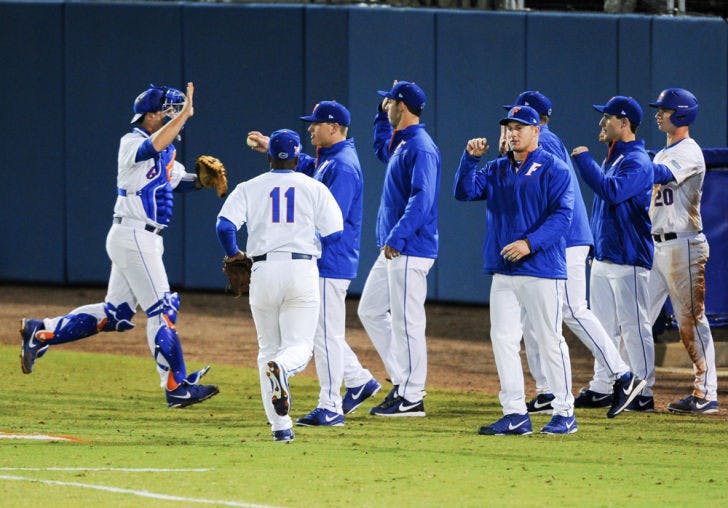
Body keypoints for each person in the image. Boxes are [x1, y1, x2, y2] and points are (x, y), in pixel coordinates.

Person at [19, 83, 220, 408]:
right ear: (152, 115)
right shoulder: (133, 141)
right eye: (167, 111)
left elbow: (176, 180)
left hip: (142, 239)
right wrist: (183, 116)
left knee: (117, 315)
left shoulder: (164, 150)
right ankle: (176, 386)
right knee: (163, 309)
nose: (172, 116)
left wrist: (201, 181)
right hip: (135, 237)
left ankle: (40, 332)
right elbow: (152, 147)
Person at [501, 91, 643, 417]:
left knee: (571, 309)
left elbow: (549, 197)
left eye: (518, 120)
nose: (512, 125)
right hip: (553, 242)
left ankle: (624, 375)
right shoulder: (533, 146)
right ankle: (548, 390)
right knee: (535, 316)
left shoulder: (545, 143)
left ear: (535, 123)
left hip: (563, 240)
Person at [246, 101, 381, 427]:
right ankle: (360, 381)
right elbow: (309, 168)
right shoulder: (330, 160)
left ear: (333, 128)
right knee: (321, 331)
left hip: (329, 261)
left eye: (316, 124)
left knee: (325, 334)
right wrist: (273, 148)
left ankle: (331, 405)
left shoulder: (343, 167)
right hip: (321, 262)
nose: (310, 129)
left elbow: (330, 222)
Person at [455, 105, 577, 435]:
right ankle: (515, 413)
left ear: (536, 131)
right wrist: (469, 159)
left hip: (541, 267)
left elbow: (562, 218)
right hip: (503, 270)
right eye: (509, 126)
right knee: (503, 340)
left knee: (550, 339)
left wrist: (530, 243)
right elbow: (463, 192)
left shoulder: (554, 168)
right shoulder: (496, 169)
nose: (512, 132)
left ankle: (565, 411)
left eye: (520, 127)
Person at [216, 129, 344, 442]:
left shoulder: (250, 187)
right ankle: (284, 368)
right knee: (300, 346)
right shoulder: (313, 187)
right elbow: (335, 234)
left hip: (263, 269)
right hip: (301, 268)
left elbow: (224, 225)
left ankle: (280, 428)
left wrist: (234, 253)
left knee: (266, 350)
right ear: (299, 157)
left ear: (269, 156)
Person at [358, 81, 440, 417]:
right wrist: (379, 116)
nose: (385, 107)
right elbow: (381, 149)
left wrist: (399, 236)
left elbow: (423, 198)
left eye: (388, 103)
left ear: (402, 106)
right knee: (370, 310)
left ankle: (412, 395)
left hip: (409, 246)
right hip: (395, 246)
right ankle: (402, 380)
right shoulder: (403, 141)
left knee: (407, 322)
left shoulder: (421, 147)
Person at [571, 95, 653, 415]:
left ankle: (643, 391)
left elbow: (612, 192)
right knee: (603, 326)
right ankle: (603, 386)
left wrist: (584, 161)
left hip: (630, 257)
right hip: (606, 255)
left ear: (624, 123)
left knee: (634, 326)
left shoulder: (637, 159)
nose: (601, 123)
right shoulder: (615, 156)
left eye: (606, 118)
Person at [647, 88, 718, 414]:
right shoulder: (662, 152)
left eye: (665, 109)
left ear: (681, 114)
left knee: (690, 321)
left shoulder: (689, 151)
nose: (659, 113)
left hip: (684, 245)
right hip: (658, 245)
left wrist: (634, 162)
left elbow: (660, 175)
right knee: (636, 318)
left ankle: (706, 394)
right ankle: (638, 387)